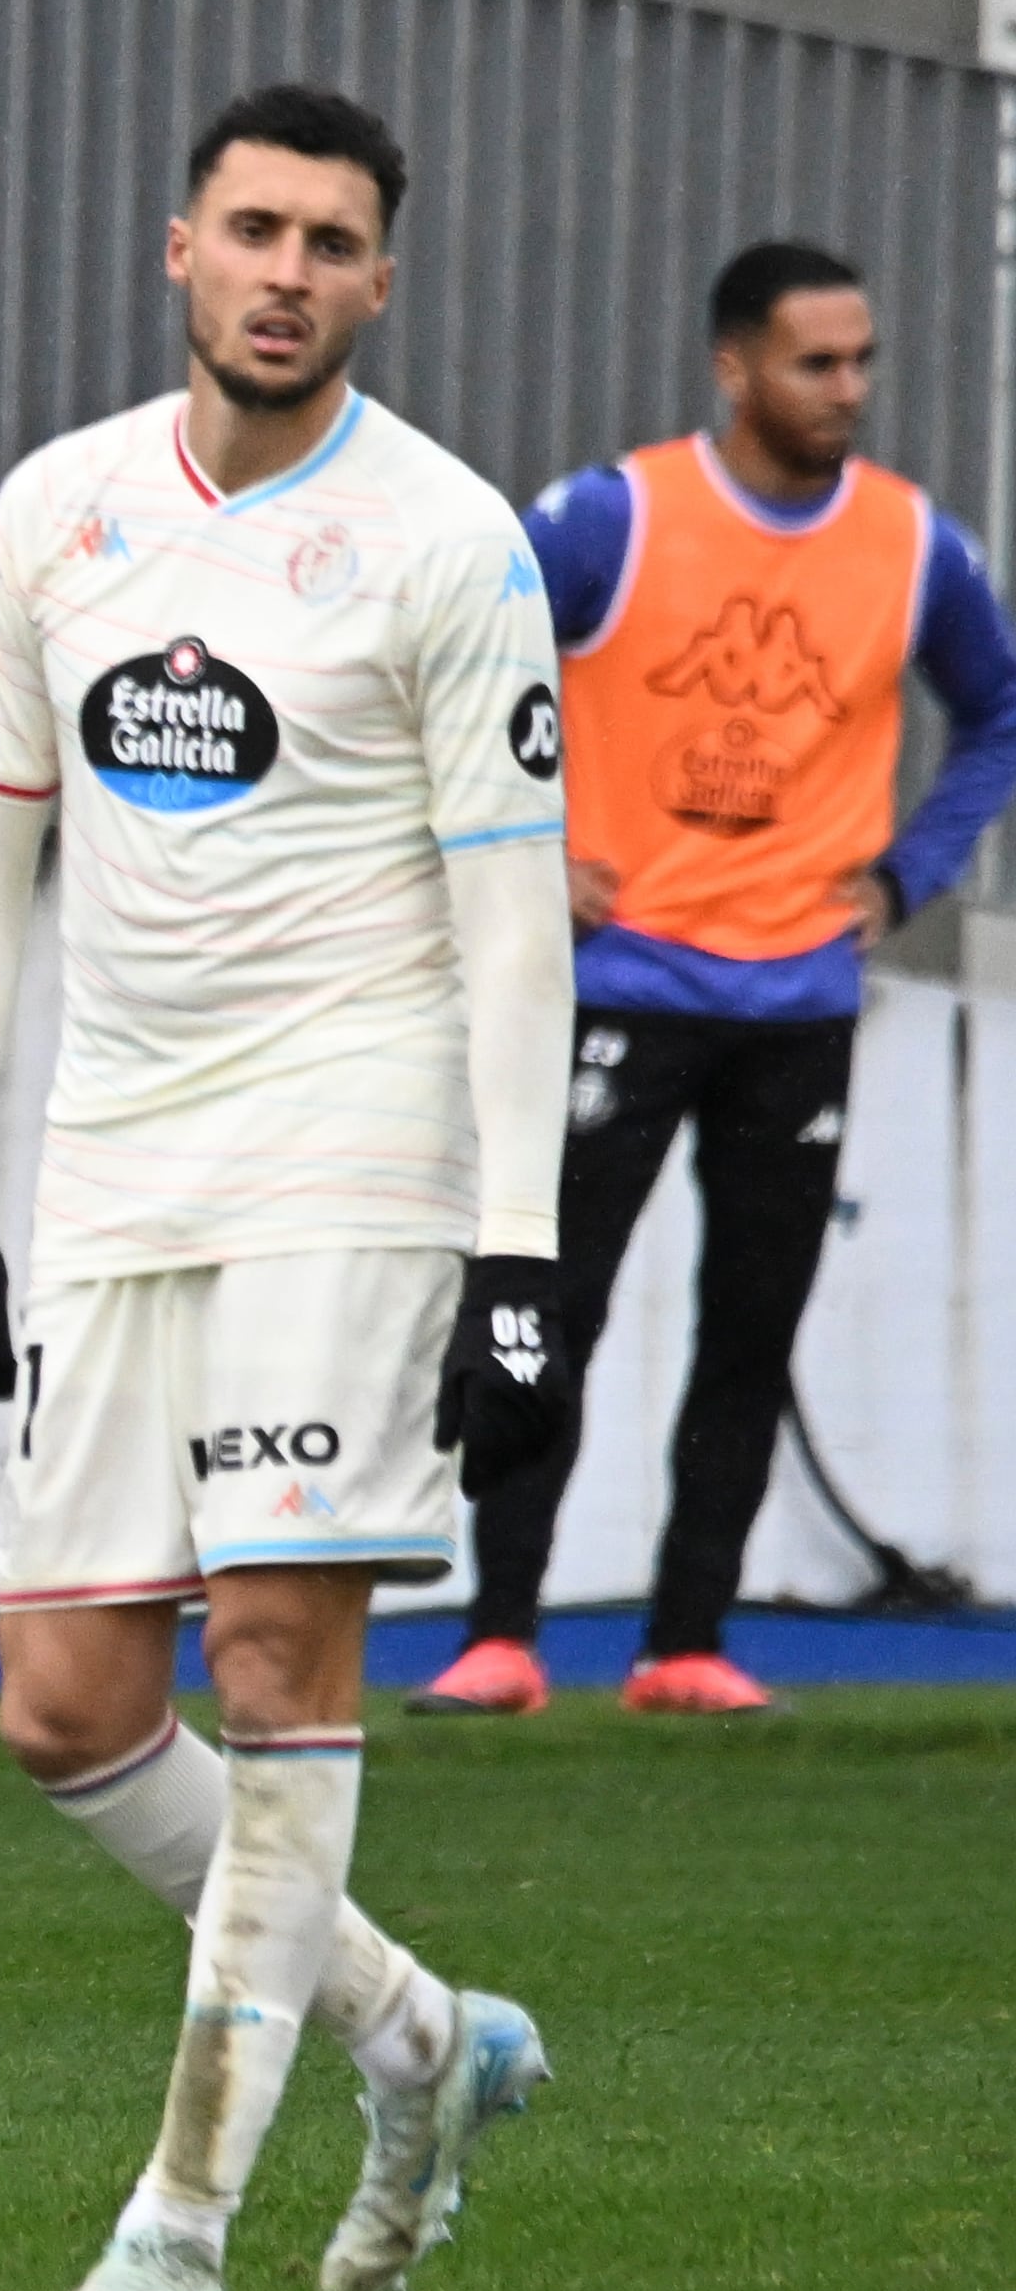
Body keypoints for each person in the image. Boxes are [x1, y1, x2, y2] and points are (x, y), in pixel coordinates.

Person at [0, 80, 563, 2291]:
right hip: (114, 1164)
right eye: (253, 229)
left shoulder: (453, 544)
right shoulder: (60, 511)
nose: (287, 270)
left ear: (380, 282)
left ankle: (178, 2219)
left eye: (332, 242)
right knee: (64, 1709)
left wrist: (518, 1245)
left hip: (355, 1157)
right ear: (178, 248)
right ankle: (414, 2040)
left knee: (277, 1659)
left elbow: (515, 922)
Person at [421, 240, 1016, 1718]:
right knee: (550, 1312)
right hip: (619, 989)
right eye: (819, 362)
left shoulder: (912, 545)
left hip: (799, 1004)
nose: (850, 389)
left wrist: (906, 876)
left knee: (753, 1325)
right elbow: (453, 661)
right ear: (735, 366)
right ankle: (501, 1630)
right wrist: (522, 847)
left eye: (863, 358)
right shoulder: (617, 517)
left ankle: (686, 1641)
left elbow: (997, 710)